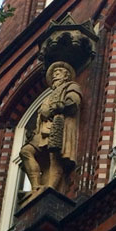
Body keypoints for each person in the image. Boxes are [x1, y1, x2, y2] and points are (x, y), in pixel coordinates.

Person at [19, 60, 81, 196]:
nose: (55, 76)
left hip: (57, 126)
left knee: (55, 157)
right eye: (54, 73)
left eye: (58, 73)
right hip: (42, 131)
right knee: (26, 152)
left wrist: (59, 107)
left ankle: (51, 189)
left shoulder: (71, 86)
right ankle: (36, 186)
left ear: (66, 76)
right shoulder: (48, 96)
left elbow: (73, 102)